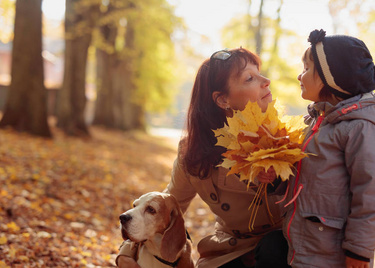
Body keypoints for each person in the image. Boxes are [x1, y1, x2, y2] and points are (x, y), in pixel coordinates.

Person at [116, 47, 290, 268]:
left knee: (273, 249)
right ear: (222, 100)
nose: (266, 81)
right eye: (249, 78)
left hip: (282, 246)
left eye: (260, 73)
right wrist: (127, 250)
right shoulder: (194, 152)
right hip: (230, 250)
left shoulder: (287, 138)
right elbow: (167, 205)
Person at [280, 29, 375, 267]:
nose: (300, 76)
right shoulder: (314, 121)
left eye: (306, 69)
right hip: (303, 245)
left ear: (330, 78)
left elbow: (370, 194)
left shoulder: (361, 129)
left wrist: (359, 250)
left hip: (333, 253)